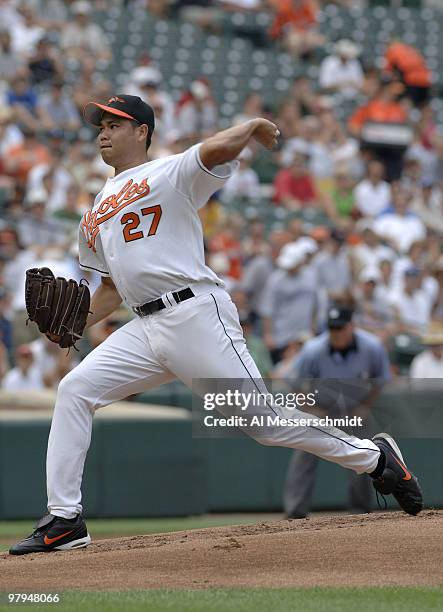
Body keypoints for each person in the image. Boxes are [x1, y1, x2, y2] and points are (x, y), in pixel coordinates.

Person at [10, 94, 422, 555]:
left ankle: (375, 459)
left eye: (115, 124)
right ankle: (64, 519)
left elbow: (215, 151)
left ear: (142, 131)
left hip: (194, 314)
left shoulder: (168, 172)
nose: (103, 132)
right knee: (74, 391)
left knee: (263, 424)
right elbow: (109, 288)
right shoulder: (94, 211)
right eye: (100, 125)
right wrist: (74, 324)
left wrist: (249, 126)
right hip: (144, 328)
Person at [283, 305, 391, 518]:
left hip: (354, 411)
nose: (336, 333)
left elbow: (381, 380)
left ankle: (360, 511)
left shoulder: (372, 346)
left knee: (362, 457)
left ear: (352, 326)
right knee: (303, 460)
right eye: (332, 328)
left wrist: (365, 406)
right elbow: (293, 383)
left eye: (340, 328)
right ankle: (295, 514)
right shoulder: (313, 349)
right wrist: (311, 409)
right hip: (320, 411)